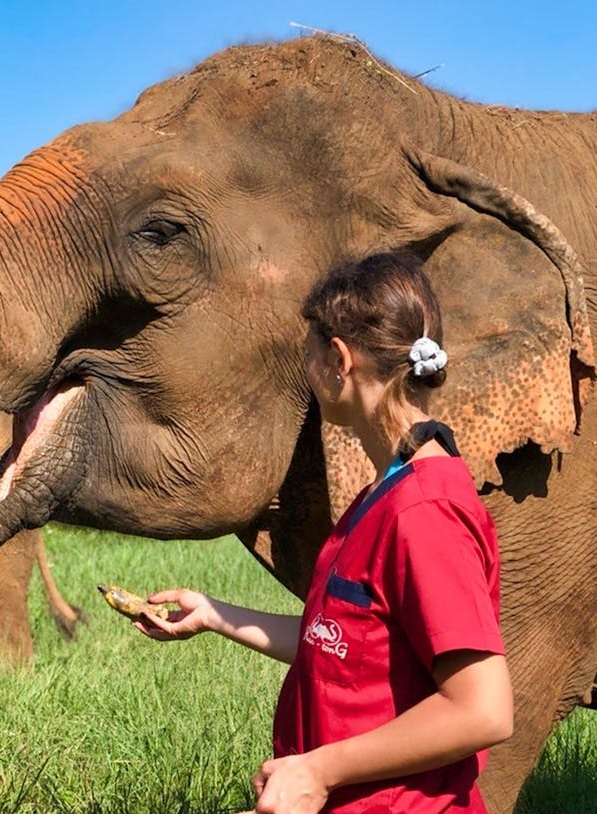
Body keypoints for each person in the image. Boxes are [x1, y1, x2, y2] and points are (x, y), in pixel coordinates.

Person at [134, 253, 513, 814]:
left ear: (339, 359)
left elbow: (483, 708)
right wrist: (215, 615)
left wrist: (317, 768)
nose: (306, 370)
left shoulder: (423, 511)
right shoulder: (385, 492)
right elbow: (338, 645)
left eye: (307, 353)